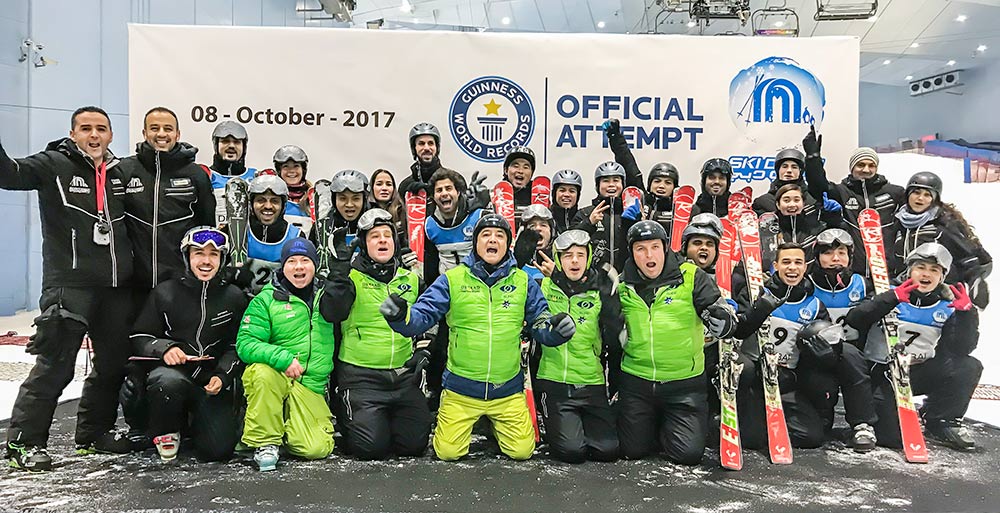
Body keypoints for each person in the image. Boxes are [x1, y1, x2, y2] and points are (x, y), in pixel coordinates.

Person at [1, 106, 135, 470]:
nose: (94, 135)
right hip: (69, 285)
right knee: (56, 366)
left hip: (114, 288)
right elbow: (9, 173)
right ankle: (23, 444)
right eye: (86, 129)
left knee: (111, 365)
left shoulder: (118, 173)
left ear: (110, 135)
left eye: (101, 129)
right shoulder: (52, 164)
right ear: (73, 133)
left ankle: (94, 434)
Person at [380, 214, 576, 461]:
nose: (492, 240)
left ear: (507, 244)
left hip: (507, 391)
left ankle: (495, 424)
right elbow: (422, 315)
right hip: (461, 391)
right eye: (485, 235)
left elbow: (540, 321)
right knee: (448, 453)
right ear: (475, 243)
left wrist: (556, 331)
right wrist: (401, 317)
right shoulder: (453, 279)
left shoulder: (523, 281)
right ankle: (473, 420)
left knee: (522, 452)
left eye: (499, 236)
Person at [615, 220, 737, 464]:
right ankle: (650, 423)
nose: (649, 255)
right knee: (633, 451)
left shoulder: (691, 276)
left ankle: (668, 424)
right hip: (637, 384)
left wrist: (723, 320)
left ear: (665, 248)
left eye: (655, 247)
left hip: (684, 386)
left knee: (688, 455)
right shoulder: (622, 284)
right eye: (641, 249)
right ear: (632, 252)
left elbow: (714, 307)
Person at [127, 227, 247, 462]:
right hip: (173, 375)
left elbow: (237, 344)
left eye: (214, 254)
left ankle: (195, 425)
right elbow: (139, 337)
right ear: (187, 257)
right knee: (167, 382)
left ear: (222, 260)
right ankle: (167, 429)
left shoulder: (234, 296)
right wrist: (165, 348)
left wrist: (223, 375)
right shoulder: (165, 292)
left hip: (209, 381)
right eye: (198, 253)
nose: (205, 261)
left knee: (217, 451)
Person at [847, 243, 981, 451]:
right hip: (883, 373)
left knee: (968, 366)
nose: (926, 274)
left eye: (934, 270)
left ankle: (941, 421)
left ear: (942, 276)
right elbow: (855, 319)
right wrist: (889, 300)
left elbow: (962, 349)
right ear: (910, 269)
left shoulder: (947, 304)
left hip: (917, 371)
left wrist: (966, 316)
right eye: (921, 267)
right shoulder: (888, 291)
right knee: (892, 438)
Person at [325, 209, 432, 460]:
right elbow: (331, 312)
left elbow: (429, 318)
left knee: (413, 446)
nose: (382, 240)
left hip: (403, 377)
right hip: (361, 379)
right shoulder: (351, 278)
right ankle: (352, 416)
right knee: (371, 448)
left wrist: (424, 349)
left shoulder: (411, 279)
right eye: (374, 236)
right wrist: (338, 272)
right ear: (364, 244)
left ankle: (386, 421)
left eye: (387, 235)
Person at [237, 238, 338, 471]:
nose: (299, 267)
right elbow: (245, 343)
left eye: (305, 261)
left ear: (314, 265)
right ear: (282, 266)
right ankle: (266, 442)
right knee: (261, 373)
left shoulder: (327, 298)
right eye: (292, 261)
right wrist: (282, 358)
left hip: (310, 385)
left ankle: (283, 424)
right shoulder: (266, 299)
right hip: (280, 376)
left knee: (316, 449)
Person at [730, 243, 831, 450]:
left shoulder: (814, 305)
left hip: (786, 382)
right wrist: (760, 309)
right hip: (755, 378)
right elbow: (738, 331)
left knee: (812, 437)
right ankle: (751, 421)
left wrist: (827, 353)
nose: (792, 268)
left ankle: (772, 422)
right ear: (775, 265)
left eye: (797, 263)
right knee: (752, 441)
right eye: (786, 262)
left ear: (805, 267)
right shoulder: (753, 293)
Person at [536, 229, 622, 463]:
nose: (574, 260)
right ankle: (559, 424)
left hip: (590, 381)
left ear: (588, 257)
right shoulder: (543, 288)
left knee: (608, 451)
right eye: (567, 255)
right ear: (558, 260)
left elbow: (616, 334)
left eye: (580, 255)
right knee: (572, 452)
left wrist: (611, 302)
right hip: (555, 381)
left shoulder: (599, 291)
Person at [121, 107, 215, 301]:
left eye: (168, 128)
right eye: (154, 128)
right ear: (145, 133)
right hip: (131, 282)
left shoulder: (195, 175)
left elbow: (206, 226)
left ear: (177, 134)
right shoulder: (125, 170)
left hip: (179, 281)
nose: (161, 134)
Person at [806, 228, 879, 451]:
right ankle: (821, 417)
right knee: (817, 430)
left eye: (841, 252)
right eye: (828, 253)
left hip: (852, 355)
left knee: (849, 355)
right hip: (815, 356)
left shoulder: (862, 284)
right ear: (817, 257)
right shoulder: (807, 284)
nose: (835, 258)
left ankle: (862, 424)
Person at [889, 171, 991, 307]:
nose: (920, 198)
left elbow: (969, 257)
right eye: (916, 192)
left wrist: (975, 281)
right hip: (907, 292)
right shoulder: (898, 222)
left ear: (934, 199)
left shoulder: (944, 224)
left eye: (927, 195)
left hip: (940, 296)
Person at [804, 139, 905, 275]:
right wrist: (813, 158)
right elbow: (818, 186)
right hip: (852, 273)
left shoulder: (894, 193)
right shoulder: (841, 191)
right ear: (852, 168)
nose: (866, 170)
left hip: (887, 273)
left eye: (871, 165)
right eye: (860, 165)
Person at [603, 118, 679, 236]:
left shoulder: (682, 210)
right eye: (657, 181)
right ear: (650, 184)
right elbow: (628, 165)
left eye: (668, 183)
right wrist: (615, 138)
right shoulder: (642, 201)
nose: (661, 186)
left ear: (675, 187)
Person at [238, 175, 301, 295]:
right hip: (241, 299)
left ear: (283, 205)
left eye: (274, 201)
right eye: (261, 200)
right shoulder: (235, 230)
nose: (268, 206)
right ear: (251, 203)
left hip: (279, 304)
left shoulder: (296, 236)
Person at [573, 161, 635, 273]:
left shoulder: (630, 213)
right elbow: (569, 241)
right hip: (593, 279)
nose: (611, 184)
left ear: (623, 185)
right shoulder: (584, 213)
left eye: (616, 180)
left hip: (626, 277)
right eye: (606, 181)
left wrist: (640, 221)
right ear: (598, 186)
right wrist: (589, 223)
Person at [313, 169, 369, 272]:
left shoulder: (374, 225)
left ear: (364, 200)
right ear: (334, 200)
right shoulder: (322, 227)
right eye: (342, 199)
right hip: (333, 285)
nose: (349, 204)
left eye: (356, 199)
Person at [205, 121, 256, 226]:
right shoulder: (205, 176)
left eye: (237, 142)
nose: (231, 146)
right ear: (216, 145)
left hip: (248, 240)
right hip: (213, 240)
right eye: (225, 141)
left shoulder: (256, 177)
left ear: (244, 146)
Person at [771, 183, 827, 262]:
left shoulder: (817, 228)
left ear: (803, 203)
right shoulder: (769, 230)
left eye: (796, 200)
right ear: (778, 204)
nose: (792, 204)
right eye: (786, 200)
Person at [272, 145, 313, 237]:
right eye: (286, 166)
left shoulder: (313, 199)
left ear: (303, 170)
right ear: (279, 171)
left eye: (296, 166)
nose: (291, 171)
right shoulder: (273, 199)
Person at [515, 204, 557, 282]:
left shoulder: (561, 259)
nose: (537, 228)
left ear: (552, 232)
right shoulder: (513, 259)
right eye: (532, 225)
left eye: (543, 225)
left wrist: (557, 276)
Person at [498, 145, 536, 227]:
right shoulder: (494, 195)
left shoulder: (539, 196)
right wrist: (465, 203)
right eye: (515, 166)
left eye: (526, 167)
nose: (520, 171)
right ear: (506, 170)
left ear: (531, 173)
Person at [369, 168, 407, 239]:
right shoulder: (365, 212)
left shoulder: (402, 212)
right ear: (372, 187)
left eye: (388, 184)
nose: (384, 188)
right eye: (379, 184)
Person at [550, 169, 583, 233]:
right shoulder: (547, 218)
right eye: (562, 190)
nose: (567, 194)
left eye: (572, 191)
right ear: (554, 194)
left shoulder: (583, 218)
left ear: (578, 195)